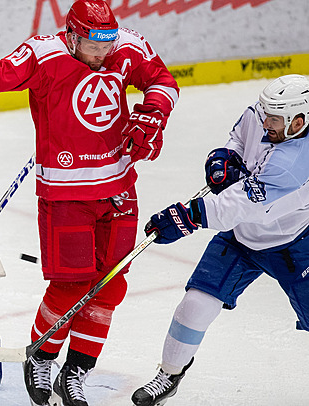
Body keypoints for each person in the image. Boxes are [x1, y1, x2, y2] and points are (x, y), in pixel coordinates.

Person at [0, 1, 179, 404]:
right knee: (70, 286)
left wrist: (152, 115)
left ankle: (76, 370)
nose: (102, 55)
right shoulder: (43, 55)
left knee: (110, 286)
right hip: (66, 193)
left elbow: (162, 79)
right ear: (73, 36)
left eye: (108, 44)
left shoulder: (123, 47)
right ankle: (41, 356)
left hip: (120, 188)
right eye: (94, 46)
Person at [131, 74, 309, 406]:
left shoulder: (294, 161)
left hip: (295, 244)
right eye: (265, 113)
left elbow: (240, 205)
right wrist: (224, 159)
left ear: (299, 121)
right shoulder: (262, 114)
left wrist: (188, 217)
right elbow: (239, 139)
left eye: (275, 118)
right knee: (195, 305)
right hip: (241, 239)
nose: (265, 120)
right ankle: (169, 374)